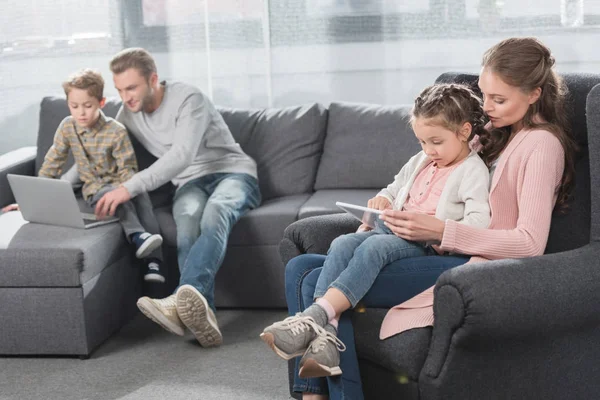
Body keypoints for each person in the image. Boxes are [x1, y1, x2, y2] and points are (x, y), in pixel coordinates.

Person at [274, 36, 574, 400]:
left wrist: (441, 230)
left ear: (534, 94)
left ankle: (332, 394)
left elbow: (529, 243)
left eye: (499, 99)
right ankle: (311, 392)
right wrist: (387, 203)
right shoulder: (495, 134)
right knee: (300, 267)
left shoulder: (541, 145)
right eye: (484, 95)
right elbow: (429, 173)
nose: (488, 108)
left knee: (313, 280)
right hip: (434, 245)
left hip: (476, 265)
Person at [260, 83, 491, 379]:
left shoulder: (472, 171)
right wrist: (384, 199)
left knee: (373, 247)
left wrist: (437, 230)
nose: (429, 150)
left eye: (436, 142)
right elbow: (394, 189)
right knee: (344, 242)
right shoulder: (421, 160)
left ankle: (315, 318)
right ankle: (325, 338)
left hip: (423, 245)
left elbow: (479, 224)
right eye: (422, 142)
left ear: (464, 132)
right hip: (393, 230)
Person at [96, 48, 261, 347]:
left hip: (233, 173)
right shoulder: (126, 116)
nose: (126, 97)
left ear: (153, 79)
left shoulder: (188, 98)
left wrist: (129, 187)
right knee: (186, 223)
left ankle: (178, 301)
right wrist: (53, 188)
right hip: (189, 183)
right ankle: (203, 315)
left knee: (216, 212)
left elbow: (181, 156)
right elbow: (100, 153)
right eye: (120, 90)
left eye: (132, 87)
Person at [2, 69, 165, 283]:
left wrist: (123, 191)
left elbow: (127, 170)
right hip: (94, 189)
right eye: (74, 106)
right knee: (107, 193)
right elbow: (53, 162)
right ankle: (137, 236)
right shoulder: (68, 127)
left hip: (121, 183)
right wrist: (30, 199)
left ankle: (154, 262)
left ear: (101, 102)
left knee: (140, 199)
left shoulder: (116, 131)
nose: (81, 113)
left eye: (88, 106)